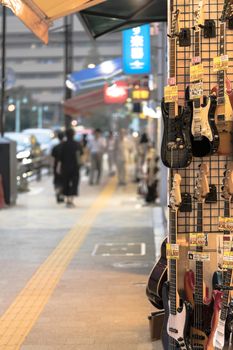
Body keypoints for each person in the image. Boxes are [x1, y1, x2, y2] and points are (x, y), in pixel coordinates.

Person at [59, 128, 83, 208]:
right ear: (74, 134)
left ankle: (67, 200)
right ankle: (71, 200)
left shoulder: (63, 144)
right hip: (75, 167)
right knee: (74, 183)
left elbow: (60, 158)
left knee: (65, 183)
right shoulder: (77, 144)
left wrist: (58, 167)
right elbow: (80, 156)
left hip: (65, 167)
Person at [51, 131, 64, 203]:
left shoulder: (55, 147)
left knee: (56, 180)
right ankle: (61, 193)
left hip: (56, 166)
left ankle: (57, 191)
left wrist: (52, 166)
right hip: (64, 166)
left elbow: (52, 158)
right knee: (63, 181)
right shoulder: (65, 146)